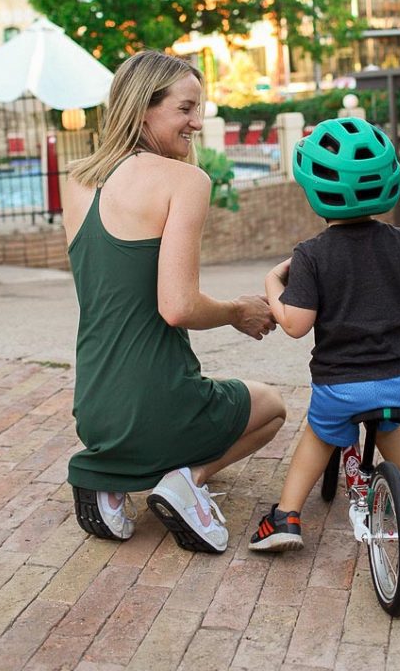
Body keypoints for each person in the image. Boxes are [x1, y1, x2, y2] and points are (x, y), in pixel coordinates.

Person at [63, 50, 285, 554]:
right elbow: (178, 307)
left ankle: (108, 477)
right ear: (145, 107)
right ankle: (187, 480)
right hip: (158, 402)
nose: (197, 122)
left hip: (94, 408)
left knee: (149, 424)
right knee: (271, 406)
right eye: (186, 108)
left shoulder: (76, 183)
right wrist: (237, 312)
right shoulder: (185, 181)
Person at [249, 117, 400, 552]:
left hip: (341, 387)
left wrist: (273, 283)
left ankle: (285, 518)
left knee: (321, 433)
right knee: (391, 425)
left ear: (314, 191)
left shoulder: (310, 254)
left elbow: (296, 325)